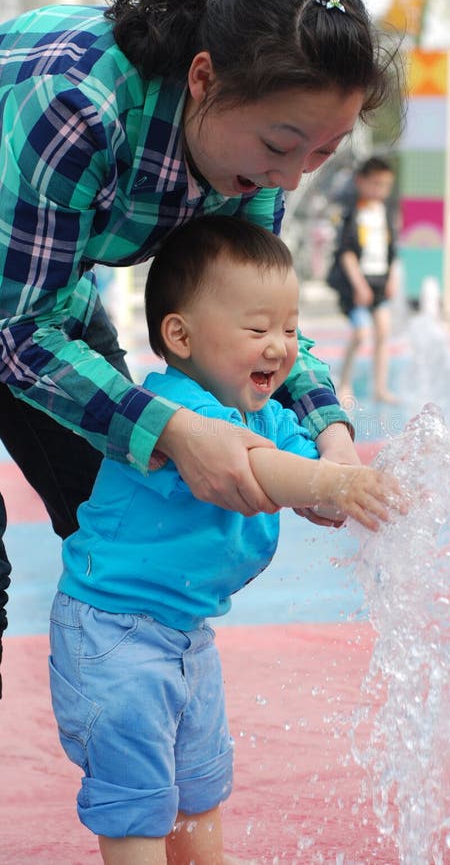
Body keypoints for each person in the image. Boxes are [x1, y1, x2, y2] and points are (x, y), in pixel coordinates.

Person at [0, 0, 400, 694]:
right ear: (204, 79)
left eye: (321, 153)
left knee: (125, 521)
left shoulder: (246, 168)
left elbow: (257, 315)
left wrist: (331, 438)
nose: (290, 181)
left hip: (42, 292)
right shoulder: (78, 106)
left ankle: (137, 727)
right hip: (21, 304)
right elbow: (17, 334)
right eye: (280, 146)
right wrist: (177, 431)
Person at [48, 215, 401, 865]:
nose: (281, 346)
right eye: (258, 328)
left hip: (186, 635)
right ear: (179, 335)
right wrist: (330, 484)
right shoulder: (178, 410)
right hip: (111, 636)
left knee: (198, 785)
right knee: (137, 797)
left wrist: (350, 484)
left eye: (291, 329)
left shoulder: (263, 414)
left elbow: (305, 468)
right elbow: (265, 470)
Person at [327, 156, 399, 404]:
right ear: (361, 182)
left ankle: (380, 388)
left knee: (383, 332)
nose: (381, 190)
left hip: (380, 280)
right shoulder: (352, 213)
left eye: (385, 185)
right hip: (357, 284)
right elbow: (346, 252)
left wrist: (393, 278)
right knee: (360, 334)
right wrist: (359, 284)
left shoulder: (385, 211)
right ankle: (344, 384)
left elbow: (393, 250)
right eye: (376, 184)